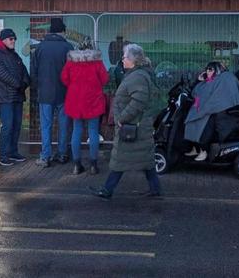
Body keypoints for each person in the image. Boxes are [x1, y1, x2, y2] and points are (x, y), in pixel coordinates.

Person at [91, 44, 161, 200]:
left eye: (124, 57)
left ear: (132, 60)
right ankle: (155, 188)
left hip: (132, 125)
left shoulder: (138, 76)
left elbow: (138, 101)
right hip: (138, 126)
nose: (122, 59)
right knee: (145, 160)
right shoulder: (137, 74)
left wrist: (122, 118)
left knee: (120, 159)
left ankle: (107, 190)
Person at [31, 18, 74, 167]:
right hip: (65, 93)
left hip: (45, 93)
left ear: (50, 31)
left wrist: (38, 86)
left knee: (46, 125)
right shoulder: (69, 47)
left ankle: (45, 156)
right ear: (62, 31)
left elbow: (34, 71)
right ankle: (62, 154)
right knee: (63, 125)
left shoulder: (40, 47)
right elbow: (73, 72)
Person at [61, 41, 109, 175]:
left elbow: (64, 78)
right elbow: (105, 79)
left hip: (75, 99)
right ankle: (93, 165)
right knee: (93, 131)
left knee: (77, 130)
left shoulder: (71, 62)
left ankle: (77, 165)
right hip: (93, 99)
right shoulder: (97, 62)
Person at [183, 61, 239, 162]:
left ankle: (203, 150)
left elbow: (218, 99)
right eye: (207, 69)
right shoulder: (209, 81)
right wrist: (199, 81)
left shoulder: (224, 79)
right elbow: (195, 93)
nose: (207, 71)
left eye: (210, 69)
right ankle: (196, 148)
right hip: (205, 109)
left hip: (217, 112)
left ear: (217, 70)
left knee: (201, 123)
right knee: (190, 120)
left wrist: (205, 109)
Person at [0, 29, 30, 167]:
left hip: (17, 96)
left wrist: (25, 82)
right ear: (4, 40)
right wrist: (18, 84)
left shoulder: (14, 56)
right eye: (10, 39)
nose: (13, 41)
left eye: (14, 39)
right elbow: (1, 74)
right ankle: (3, 154)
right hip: (5, 97)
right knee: (7, 125)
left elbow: (24, 71)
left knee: (17, 125)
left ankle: (13, 151)